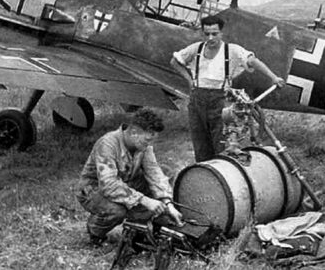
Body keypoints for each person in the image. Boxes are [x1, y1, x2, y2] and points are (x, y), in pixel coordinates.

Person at [170, 14, 285, 162]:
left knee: (221, 145)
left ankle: (223, 176)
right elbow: (175, 61)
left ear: (221, 33)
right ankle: (206, 175)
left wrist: (273, 77)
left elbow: (253, 61)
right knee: (200, 145)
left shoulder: (232, 50)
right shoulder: (196, 49)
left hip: (220, 103)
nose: (210, 38)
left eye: (214, 34)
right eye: (207, 34)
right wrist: (189, 80)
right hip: (197, 102)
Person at [75, 109, 183, 246]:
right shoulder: (107, 144)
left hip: (125, 182)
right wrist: (144, 200)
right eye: (147, 139)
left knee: (166, 173)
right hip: (94, 189)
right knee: (117, 210)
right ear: (133, 132)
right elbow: (108, 185)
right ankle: (95, 233)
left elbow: (154, 172)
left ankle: (138, 224)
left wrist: (168, 204)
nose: (149, 145)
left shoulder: (143, 146)